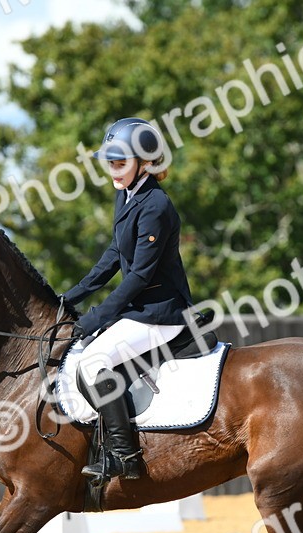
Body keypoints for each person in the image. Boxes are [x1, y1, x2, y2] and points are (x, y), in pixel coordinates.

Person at [64, 117, 196, 480]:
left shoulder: (156, 205)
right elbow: (113, 253)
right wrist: (71, 296)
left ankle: (125, 456)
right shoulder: (125, 194)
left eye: (120, 163)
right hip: (140, 310)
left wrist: (97, 316)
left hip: (161, 312)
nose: (113, 170)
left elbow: (139, 275)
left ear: (145, 162)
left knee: (93, 362)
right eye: (110, 162)